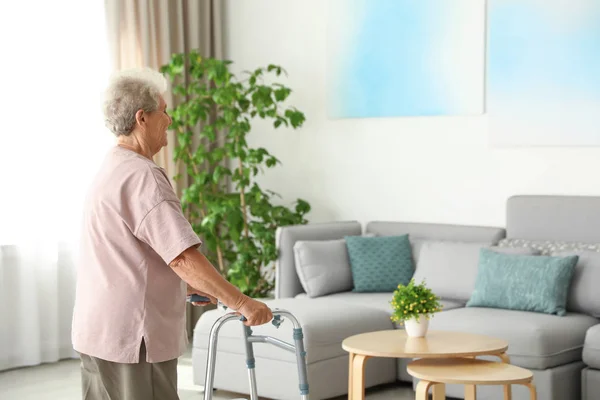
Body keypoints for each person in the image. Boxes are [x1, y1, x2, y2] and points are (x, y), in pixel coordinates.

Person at [71, 67, 273, 400]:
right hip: (133, 338)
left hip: (98, 330)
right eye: (164, 112)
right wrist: (240, 301)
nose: (171, 121)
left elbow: (129, 253)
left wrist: (187, 285)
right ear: (142, 118)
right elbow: (181, 255)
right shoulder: (143, 176)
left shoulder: (111, 166)